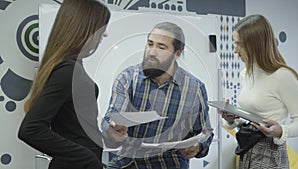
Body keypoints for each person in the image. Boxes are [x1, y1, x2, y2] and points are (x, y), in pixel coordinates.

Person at [101, 22, 214, 169]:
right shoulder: (128, 78)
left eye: (161, 47)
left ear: (177, 54)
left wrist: (198, 146)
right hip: (129, 160)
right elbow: (112, 116)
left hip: (169, 163)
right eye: (150, 44)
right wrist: (112, 128)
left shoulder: (194, 88)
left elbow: (205, 132)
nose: (152, 52)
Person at [18, 0, 110, 169]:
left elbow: (75, 129)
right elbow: (31, 129)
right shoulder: (67, 70)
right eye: (102, 29)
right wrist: (86, 157)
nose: (105, 35)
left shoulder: (72, 68)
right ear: (85, 28)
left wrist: (108, 137)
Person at [221, 14, 298, 169]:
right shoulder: (245, 74)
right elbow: (251, 119)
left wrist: (281, 131)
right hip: (247, 149)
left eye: (239, 44)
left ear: (255, 45)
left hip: (271, 152)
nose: (235, 49)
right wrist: (232, 119)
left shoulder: (283, 76)